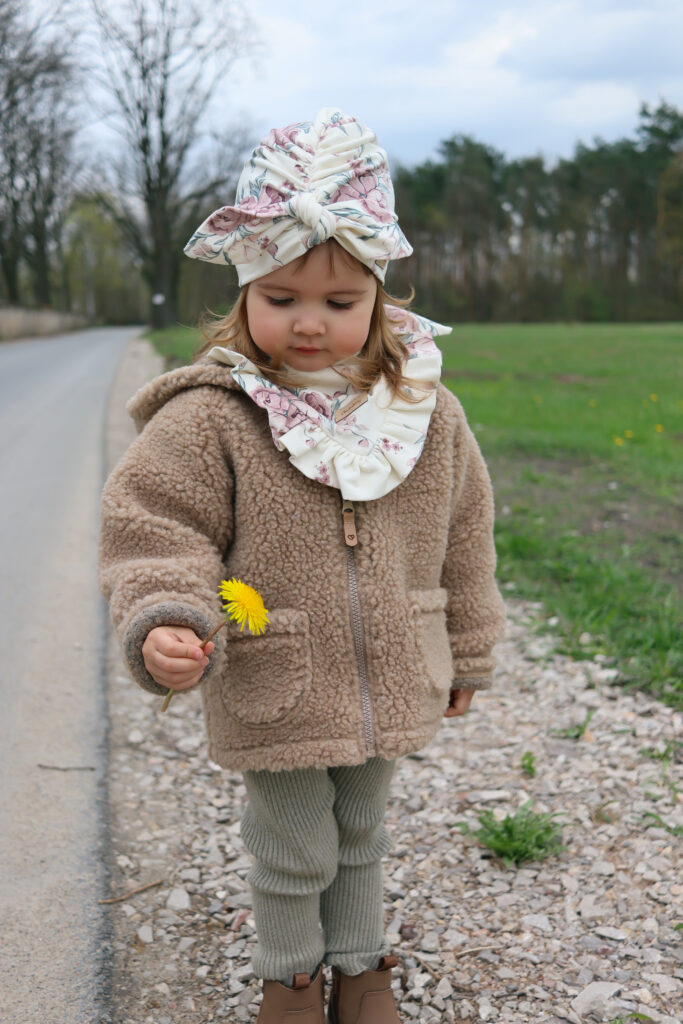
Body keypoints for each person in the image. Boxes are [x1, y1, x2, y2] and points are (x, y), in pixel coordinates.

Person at [100, 107, 506, 1024]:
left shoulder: (423, 412)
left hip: (396, 664)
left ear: (380, 298)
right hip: (274, 666)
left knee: (362, 831)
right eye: (281, 299)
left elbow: (465, 532)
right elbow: (154, 526)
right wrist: (167, 612)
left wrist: (469, 651)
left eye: (339, 302)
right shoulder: (212, 417)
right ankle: (289, 978)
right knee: (293, 845)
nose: (311, 324)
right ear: (243, 294)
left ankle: (361, 970)